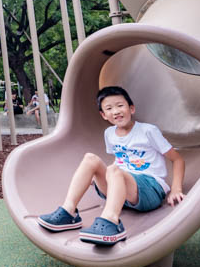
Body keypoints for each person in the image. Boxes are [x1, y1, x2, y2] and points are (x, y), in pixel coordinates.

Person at [36, 86, 185, 246]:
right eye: (109, 108)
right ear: (103, 115)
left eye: (120, 105)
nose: (116, 111)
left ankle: (111, 221)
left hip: (149, 189)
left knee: (114, 170)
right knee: (90, 159)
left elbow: (177, 160)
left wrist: (176, 189)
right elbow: (119, 159)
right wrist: (101, 176)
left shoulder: (148, 131)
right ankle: (69, 211)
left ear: (131, 108)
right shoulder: (109, 134)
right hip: (122, 190)